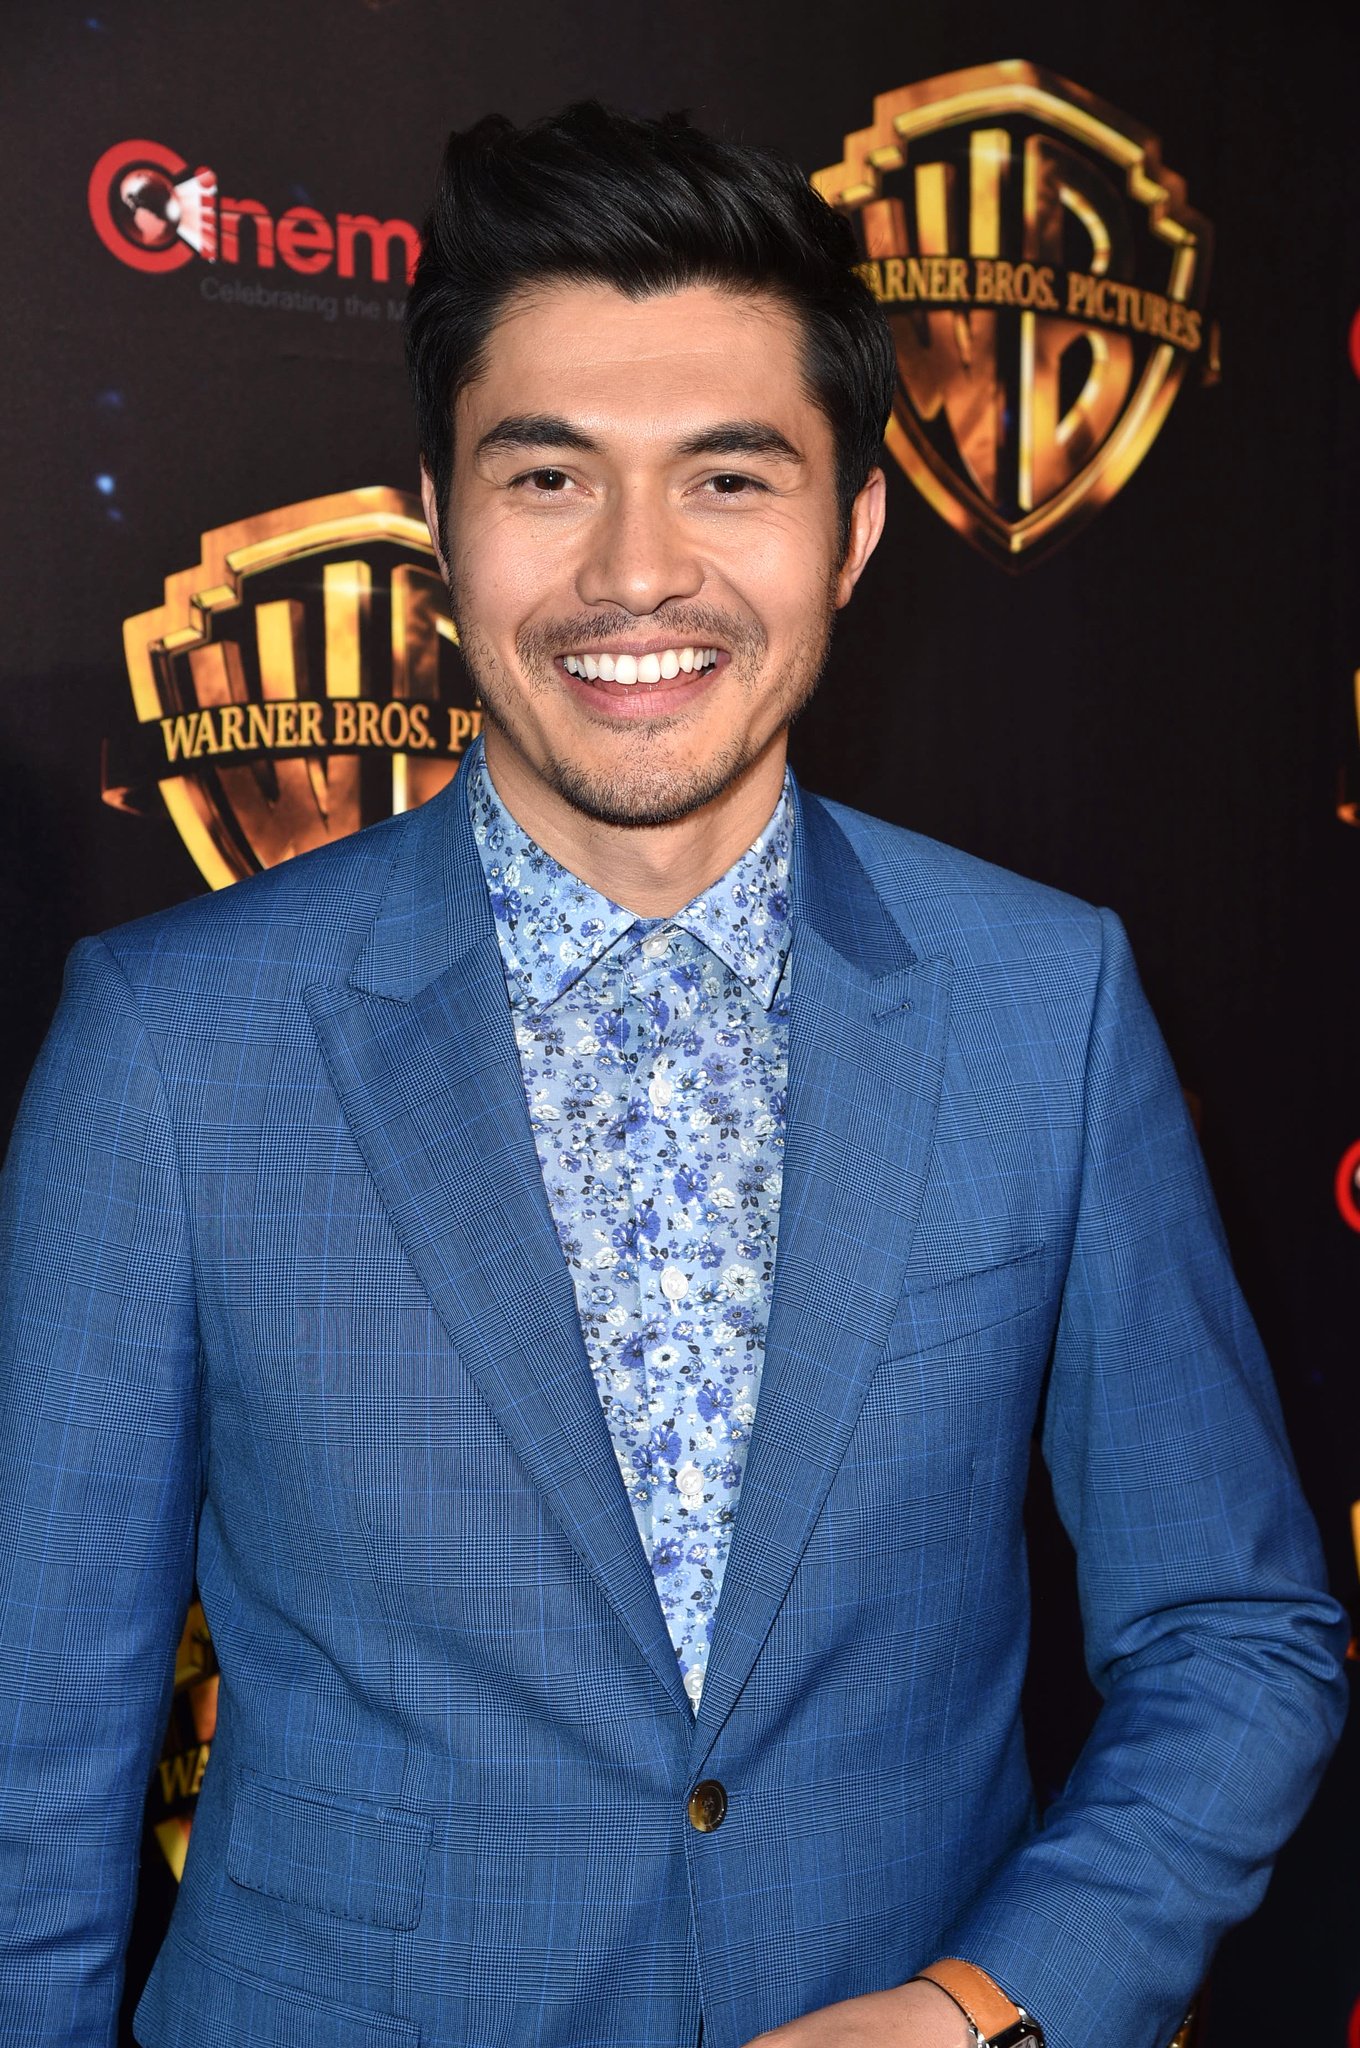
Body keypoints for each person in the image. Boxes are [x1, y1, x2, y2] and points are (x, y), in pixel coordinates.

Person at [0, 102, 1346, 2048]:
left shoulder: (1040, 999)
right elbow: (30, 1773)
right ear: (443, 521)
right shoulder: (171, 1046)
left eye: (728, 477)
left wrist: (980, 2009)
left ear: (852, 528)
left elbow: (1233, 1636)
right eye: (550, 476)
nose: (636, 573)